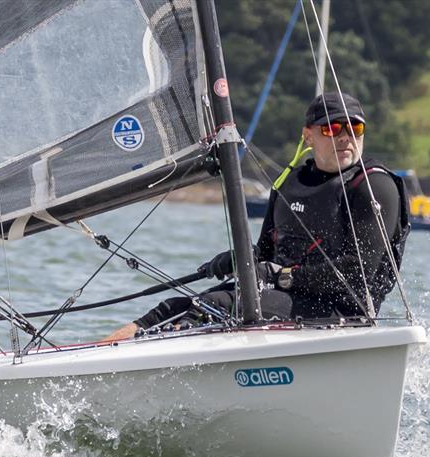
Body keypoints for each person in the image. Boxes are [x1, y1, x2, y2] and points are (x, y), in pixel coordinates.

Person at [103, 91, 409, 342]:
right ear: (308, 136)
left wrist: (282, 276)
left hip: (342, 313)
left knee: (219, 305)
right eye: (332, 128)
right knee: (179, 304)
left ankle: (158, 355)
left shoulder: (373, 187)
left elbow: (359, 274)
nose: (345, 138)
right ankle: (115, 346)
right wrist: (239, 259)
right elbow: (266, 251)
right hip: (285, 299)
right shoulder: (288, 183)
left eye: (355, 129)